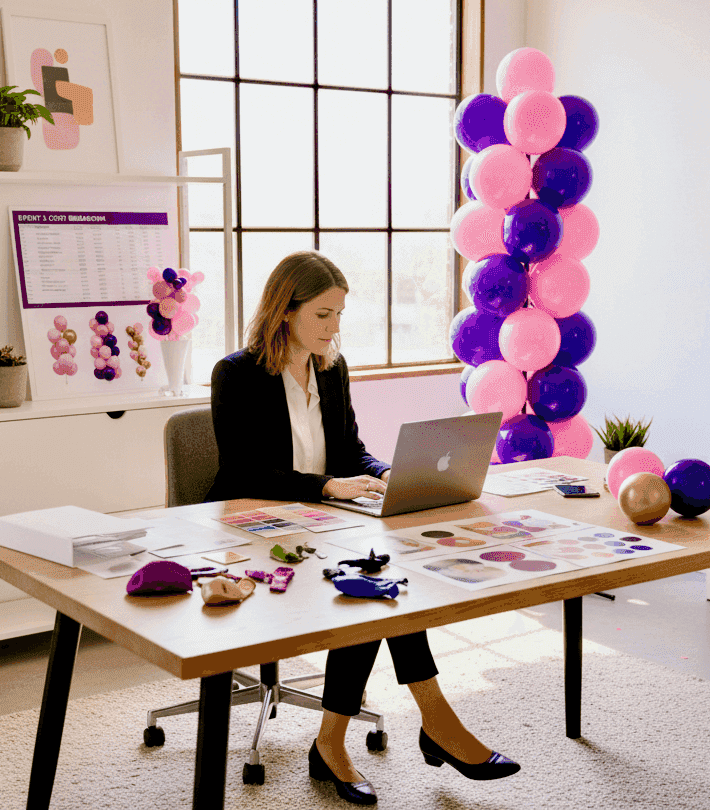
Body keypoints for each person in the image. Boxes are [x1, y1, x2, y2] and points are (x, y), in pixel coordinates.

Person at [208, 250, 519, 805]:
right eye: (323, 315)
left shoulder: (332, 368)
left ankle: (339, 740)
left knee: (382, 583)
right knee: (375, 589)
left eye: (339, 316)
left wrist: (384, 474)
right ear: (285, 311)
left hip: (322, 523)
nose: (333, 329)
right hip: (252, 532)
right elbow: (242, 469)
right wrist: (327, 487)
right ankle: (431, 723)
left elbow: (349, 450)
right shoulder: (236, 374)